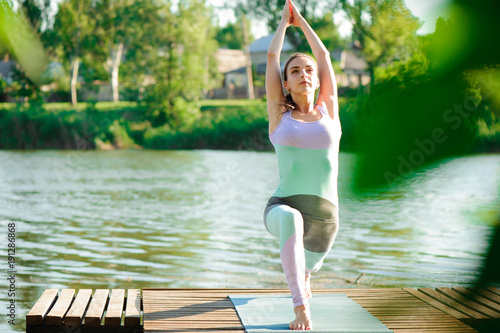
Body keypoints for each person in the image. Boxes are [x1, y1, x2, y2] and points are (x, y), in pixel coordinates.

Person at [264, 0, 341, 330]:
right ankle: (300, 307)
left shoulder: (330, 113)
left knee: (309, 264)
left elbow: (323, 57)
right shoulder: (279, 117)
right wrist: (284, 24)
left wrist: (302, 21)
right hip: (281, 208)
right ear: (286, 84)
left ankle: (305, 275)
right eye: (294, 70)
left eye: (308, 70)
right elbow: (271, 58)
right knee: (291, 219)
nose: (304, 74)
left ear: (318, 81)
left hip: (325, 223)